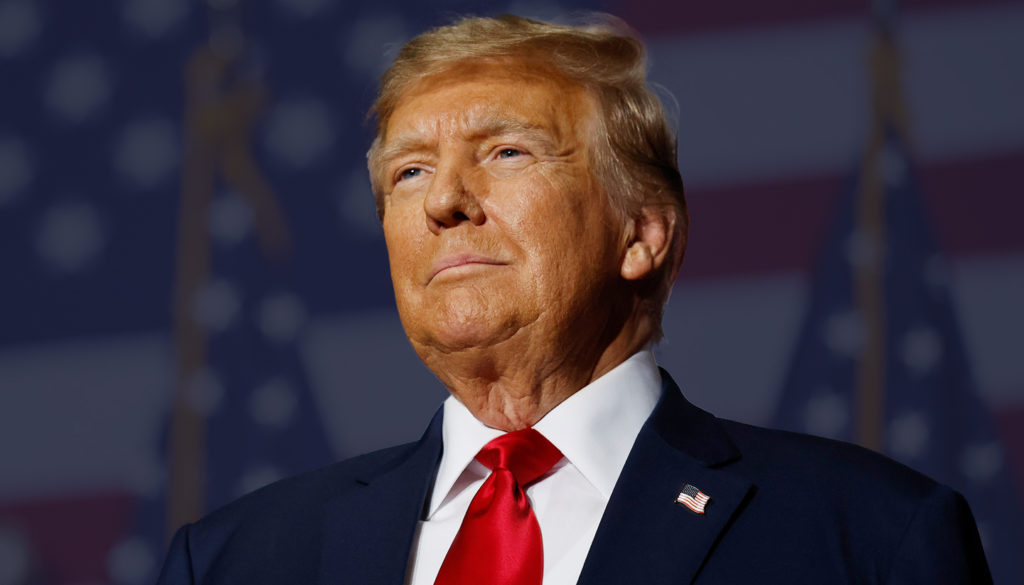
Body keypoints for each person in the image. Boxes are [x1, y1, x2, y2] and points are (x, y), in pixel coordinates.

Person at [157, 14, 992, 585]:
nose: (444, 199)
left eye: (509, 152)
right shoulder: (238, 558)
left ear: (642, 235)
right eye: (409, 171)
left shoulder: (867, 536)